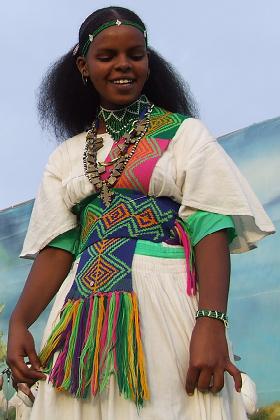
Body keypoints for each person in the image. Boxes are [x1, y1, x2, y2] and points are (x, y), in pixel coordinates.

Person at [7, 6, 274, 420]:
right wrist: (20, 323)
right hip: (78, 315)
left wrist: (211, 322)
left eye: (135, 54)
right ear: (83, 65)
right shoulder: (66, 156)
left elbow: (210, 227)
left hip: (166, 303)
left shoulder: (184, 134)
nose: (122, 65)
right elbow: (59, 247)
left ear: (149, 61)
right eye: (107, 56)